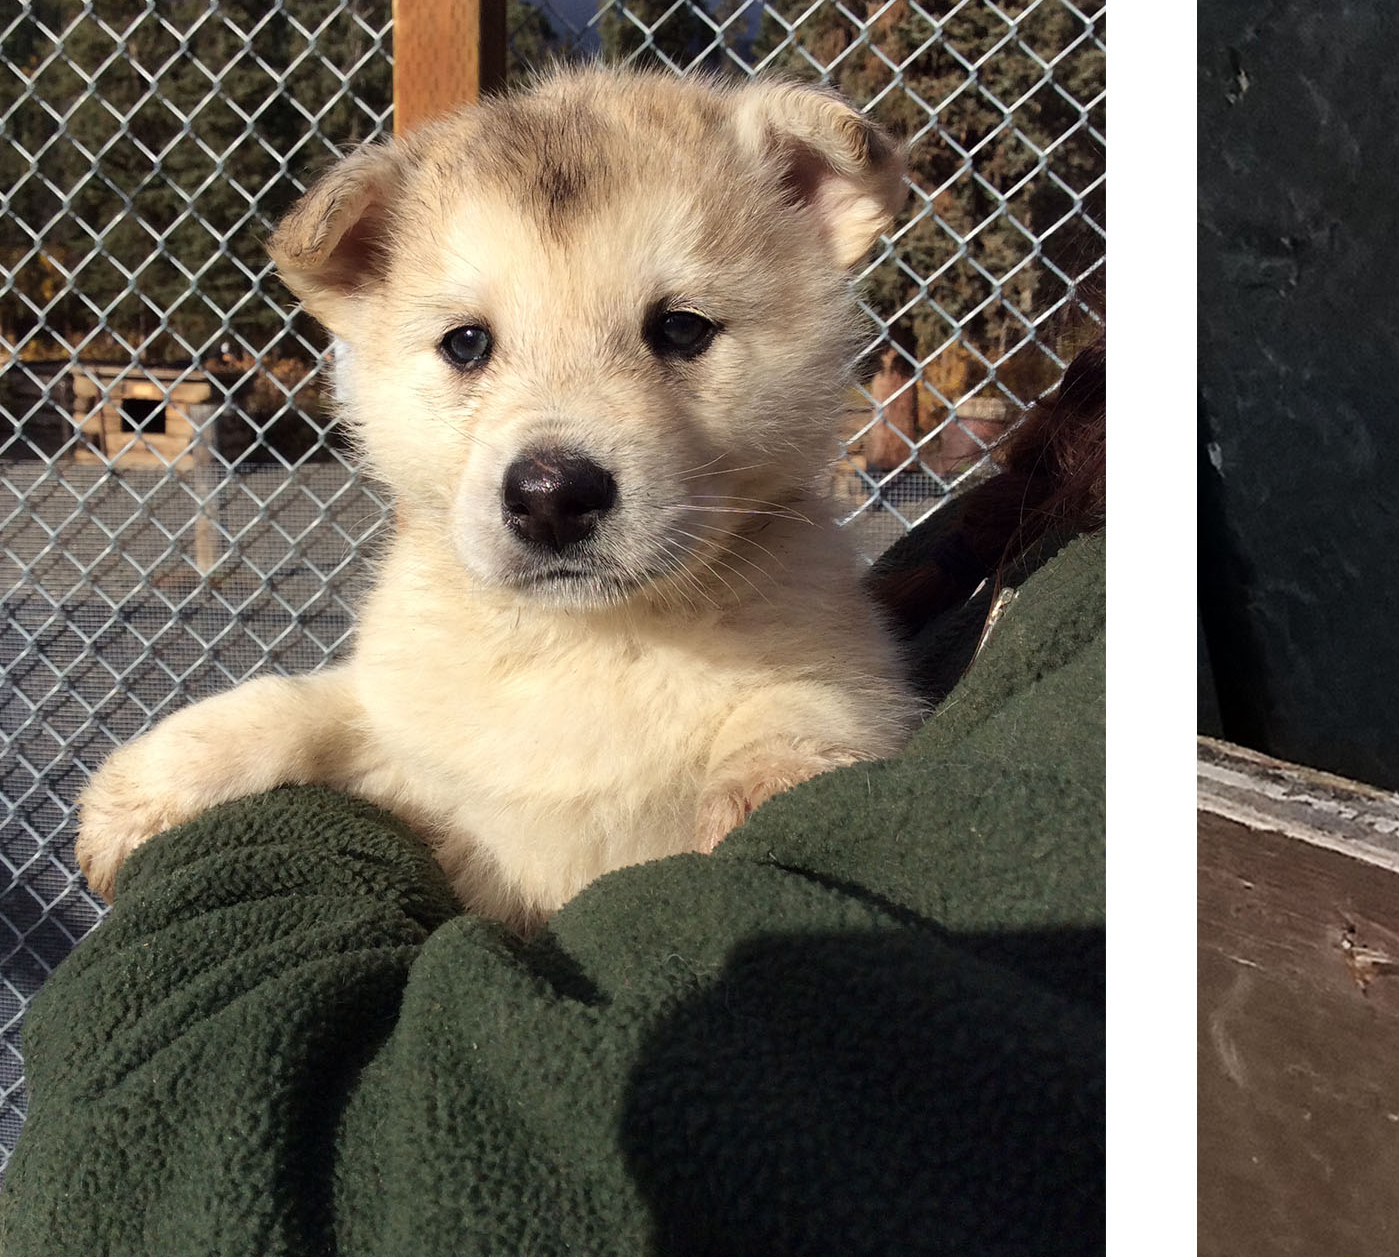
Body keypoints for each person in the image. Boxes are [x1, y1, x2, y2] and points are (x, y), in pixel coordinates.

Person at [0, 358, 1106, 1254]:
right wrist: (299, 730)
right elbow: (403, 726)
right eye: (471, 347)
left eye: (676, 331)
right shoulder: (998, 550)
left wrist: (782, 759)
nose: (554, 457)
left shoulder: (1086, 641)